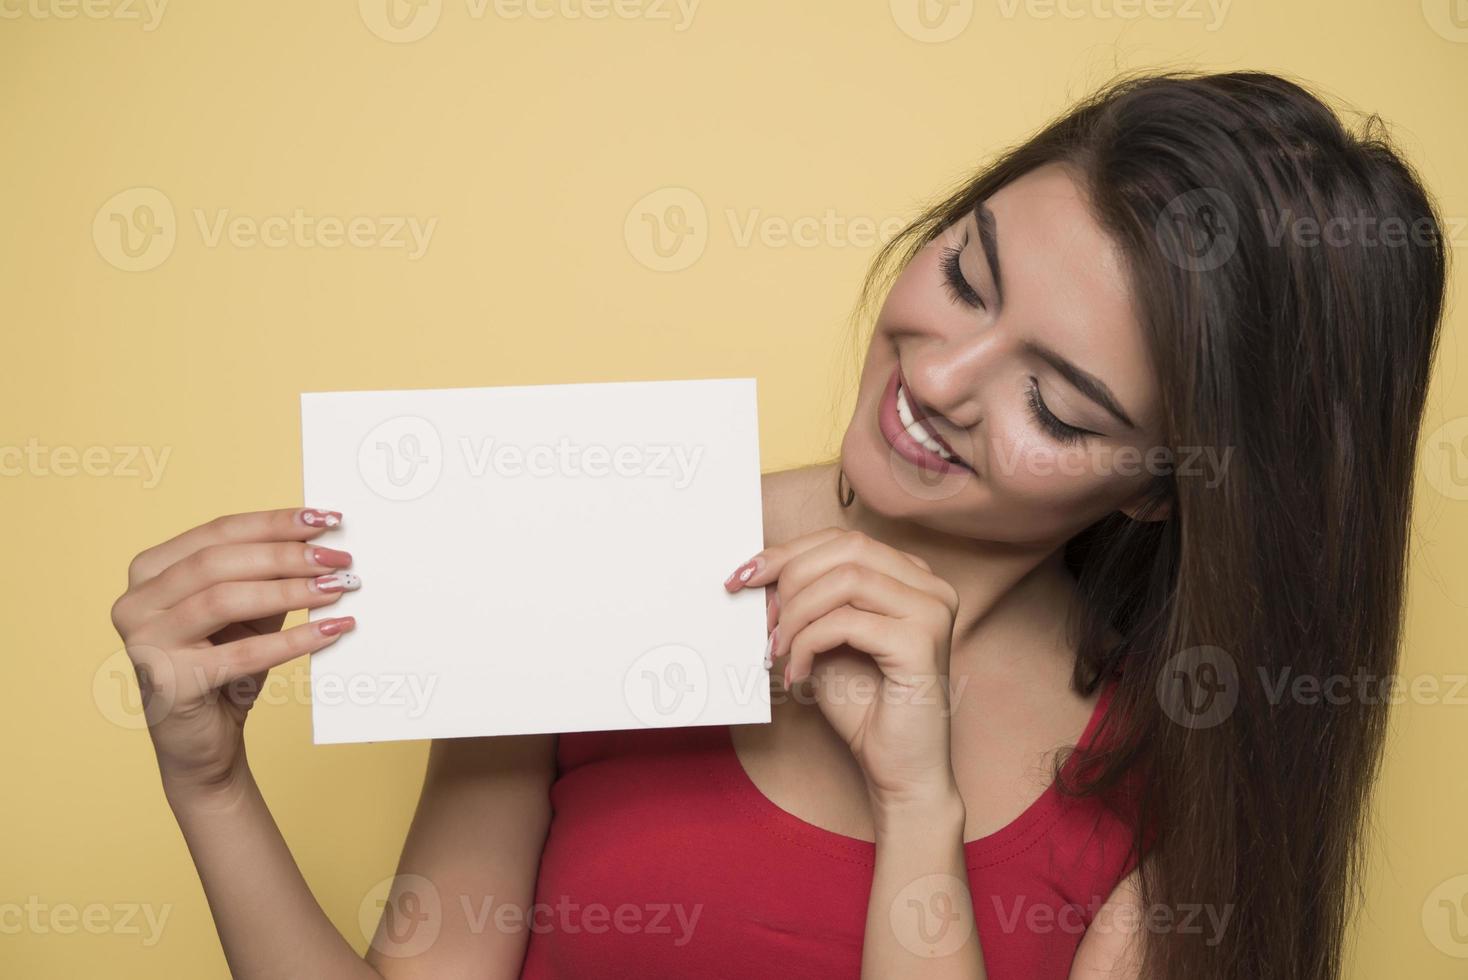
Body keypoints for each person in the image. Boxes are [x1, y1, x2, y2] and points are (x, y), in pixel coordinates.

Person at [109, 69, 1448, 979]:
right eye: (965, 272)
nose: (938, 378)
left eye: (1054, 397)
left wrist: (917, 802)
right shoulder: (590, 540)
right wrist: (210, 781)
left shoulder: (1184, 745)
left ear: (1163, 483)